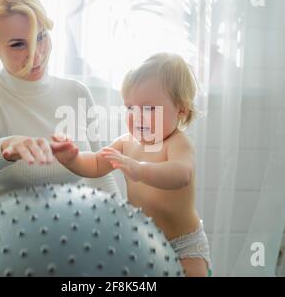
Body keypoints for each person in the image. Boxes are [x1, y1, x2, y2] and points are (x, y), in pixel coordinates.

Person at [0, 0, 120, 222]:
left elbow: (100, 174)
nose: (35, 55)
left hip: (69, 241)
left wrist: (124, 225)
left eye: (41, 37)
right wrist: (8, 146)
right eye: (18, 44)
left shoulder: (77, 93)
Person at [52, 53, 212, 277]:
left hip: (184, 245)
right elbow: (97, 163)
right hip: (144, 241)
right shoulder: (127, 142)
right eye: (130, 108)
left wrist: (140, 169)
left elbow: (181, 173)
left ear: (181, 109)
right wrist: (72, 159)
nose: (137, 117)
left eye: (148, 109)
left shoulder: (178, 143)